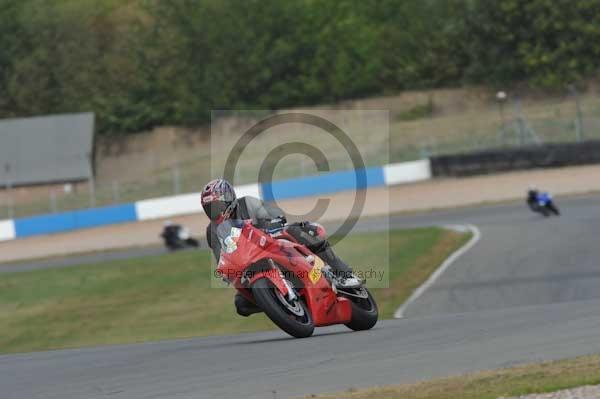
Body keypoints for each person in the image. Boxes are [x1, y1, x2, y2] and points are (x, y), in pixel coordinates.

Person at [201, 178, 361, 316]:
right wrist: (226, 272)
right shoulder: (212, 231)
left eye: (216, 206)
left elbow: (272, 214)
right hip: (250, 263)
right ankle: (276, 301)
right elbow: (221, 257)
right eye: (209, 209)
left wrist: (273, 222)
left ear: (229, 199)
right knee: (241, 304)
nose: (214, 212)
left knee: (301, 231)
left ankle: (343, 273)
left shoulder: (247, 203)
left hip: (273, 242)